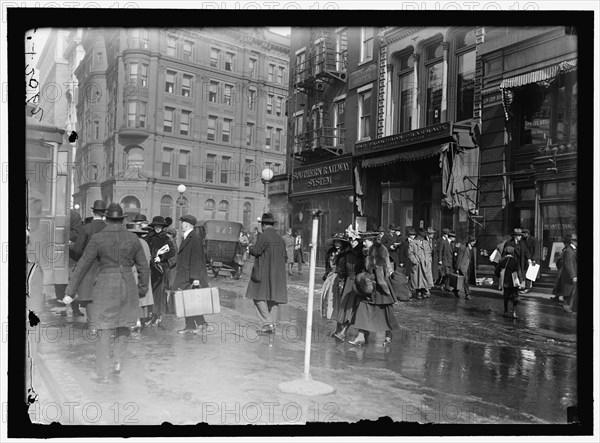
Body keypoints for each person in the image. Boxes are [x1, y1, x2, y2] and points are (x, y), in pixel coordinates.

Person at [64, 203, 150, 384]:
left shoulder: (98, 238)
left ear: (107, 218)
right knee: (123, 325)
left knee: (103, 327)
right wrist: (141, 289)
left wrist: (70, 292)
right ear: (122, 219)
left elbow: (82, 265)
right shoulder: (133, 238)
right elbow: (143, 267)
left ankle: (101, 373)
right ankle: (117, 362)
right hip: (128, 284)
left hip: (105, 286)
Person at [349, 234, 399, 346]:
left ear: (371, 241)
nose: (363, 243)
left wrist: (385, 289)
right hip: (369, 285)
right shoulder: (366, 251)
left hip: (379, 286)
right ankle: (361, 336)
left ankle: (388, 334)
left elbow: (380, 271)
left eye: (365, 241)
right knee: (363, 309)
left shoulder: (378, 250)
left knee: (385, 312)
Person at [245, 213, 288, 335]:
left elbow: (256, 250)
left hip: (263, 271)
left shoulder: (264, 236)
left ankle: (267, 322)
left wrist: (250, 247)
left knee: (257, 296)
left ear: (263, 225)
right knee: (273, 300)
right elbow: (285, 256)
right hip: (278, 274)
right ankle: (271, 326)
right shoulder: (280, 239)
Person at [70, 200, 108, 323]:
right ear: (104, 213)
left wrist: (70, 245)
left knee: (90, 296)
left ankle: (92, 323)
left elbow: (78, 249)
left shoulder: (86, 228)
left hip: (89, 267)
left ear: (92, 212)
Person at [172, 215, 210, 334]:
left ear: (187, 224)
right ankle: (195, 325)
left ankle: (198, 324)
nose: (181, 224)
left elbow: (196, 258)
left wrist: (195, 278)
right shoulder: (189, 236)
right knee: (187, 301)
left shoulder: (194, 237)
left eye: (182, 222)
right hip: (185, 275)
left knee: (189, 301)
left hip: (189, 276)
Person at [146, 216, 176, 327]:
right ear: (153, 226)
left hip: (161, 269)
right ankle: (152, 316)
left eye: (160, 226)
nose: (157, 228)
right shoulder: (150, 237)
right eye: (156, 226)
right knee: (153, 293)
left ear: (163, 227)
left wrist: (162, 257)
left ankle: (158, 317)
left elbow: (172, 251)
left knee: (159, 294)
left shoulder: (166, 238)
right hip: (151, 268)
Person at [127, 223, 154, 331]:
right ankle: (139, 321)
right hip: (144, 274)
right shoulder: (145, 243)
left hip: (134, 274)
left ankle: (134, 322)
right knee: (141, 300)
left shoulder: (132, 244)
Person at [552, 233, 578, 313]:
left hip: (569, 275)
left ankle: (567, 306)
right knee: (568, 292)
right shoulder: (569, 251)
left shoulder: (572, 250)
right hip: (568, 276)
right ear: (572, 242)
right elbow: (569, 264)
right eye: (575, 241)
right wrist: (573, 276)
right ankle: (566, 307)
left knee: (569, 292)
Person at [495, 245, 521, 318]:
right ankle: (514, 312)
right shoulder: (515, 260)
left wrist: (499, 277)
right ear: (512, 253)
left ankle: (506, 312)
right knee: (515, 296)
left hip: (505, 281)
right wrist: (520, 280)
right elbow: (518, 271)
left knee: (506, 297)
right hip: (514, 281)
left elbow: (496, 271)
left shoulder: (501, 260)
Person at [502, 228, 531, 293]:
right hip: (511, 263)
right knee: (511, 278)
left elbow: (526, 251)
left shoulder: (522, 243)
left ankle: (514, 292)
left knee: (518, 277)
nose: (521, 237)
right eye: (519, 235)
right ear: (515, 236)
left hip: (520, 263)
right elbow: (504, 253)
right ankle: (510, 292)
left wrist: (529, 259)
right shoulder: (508, 243)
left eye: (521, 235)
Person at [407, 228, 432, 300]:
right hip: (418, 264)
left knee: (425, 278)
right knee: (417, 278)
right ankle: (418, 292)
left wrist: (429, 260)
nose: (423, 237)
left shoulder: (426, 243)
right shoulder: (413, 243)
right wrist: (415, 261)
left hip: (426, 263)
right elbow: (410, 253)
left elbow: (429, 252)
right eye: (421, 236)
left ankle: (423, 290)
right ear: (418, 236)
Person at [453, 236, 477, 300]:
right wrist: (457, 268)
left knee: (463, 281)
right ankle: (467, 294)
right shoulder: (463, 247)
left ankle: (455, 290)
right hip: (462, 266)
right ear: (470, 241)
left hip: (468, 266)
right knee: (465, 281)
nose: (474, 243)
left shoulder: (472, 248)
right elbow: (459, 258)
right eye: (473, 242)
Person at [521, 228, 537, 293]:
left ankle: (528, 288)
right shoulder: (523, 240)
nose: (522, 236)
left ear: (526, 234)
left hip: (533, 260)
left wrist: (534, 259)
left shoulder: (533, 240)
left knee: (530, 273)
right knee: (528, 273)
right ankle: (527, 287)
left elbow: (536, 250)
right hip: (526, 259)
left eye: (523, 234)